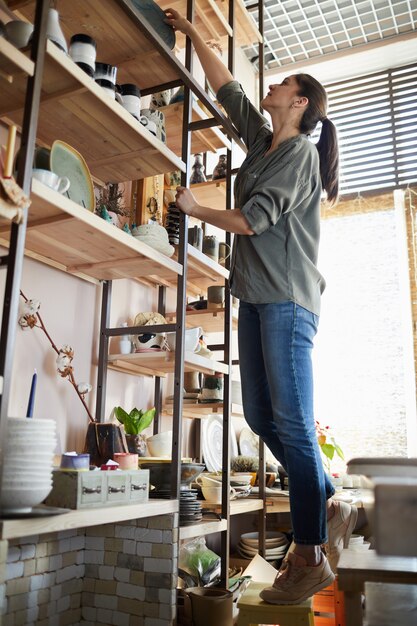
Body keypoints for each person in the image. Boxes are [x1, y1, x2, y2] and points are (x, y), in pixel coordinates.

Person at [165, 8, 358, 605]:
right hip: (256, 299)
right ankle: (329, 500)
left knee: (294, 425)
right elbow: (226, 89)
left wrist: (195, 211)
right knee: (261, 417)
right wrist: (196, 32)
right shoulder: (263, 145)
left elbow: (251, 220)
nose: (269, 87)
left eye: (281, 85)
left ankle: (308, 556)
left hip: (288, 304)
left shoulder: (298, 154)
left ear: (300, 103)